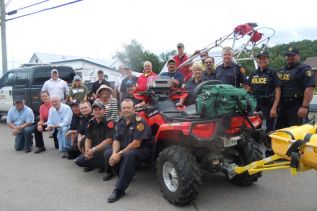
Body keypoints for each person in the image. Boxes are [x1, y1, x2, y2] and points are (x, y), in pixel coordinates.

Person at [103, 99, 152, 203]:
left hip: (141, 150)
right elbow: (116, 140)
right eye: (124, 108)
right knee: (108, 153)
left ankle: (120, 189)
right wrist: (114, 153)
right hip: (127, 149)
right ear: (121, 110)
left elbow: (136, 143)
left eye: (129, 107)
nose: (126, 110)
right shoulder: (120, 122)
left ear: (134, 109)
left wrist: (120, 154)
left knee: (128, 155)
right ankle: (125, 175)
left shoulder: (140, 122)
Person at [246, 51, 281, 156]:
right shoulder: (253, 73)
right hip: (256, 105)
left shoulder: (273, 73)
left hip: (268, 105)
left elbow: (278, 90)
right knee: (253, 129)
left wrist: (274, 107)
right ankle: (254, 153)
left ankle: (272, 153)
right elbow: (248, 88)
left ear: (268, 59)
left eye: (264, 58)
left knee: (270, 130)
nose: (262, 61)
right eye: (260, 59)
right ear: (257, 60)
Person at [276, 47, 315, 129]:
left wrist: (304, 106)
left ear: (298, 56)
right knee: (281, 132)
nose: (289, 57)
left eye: (292, 55)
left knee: (297, 132)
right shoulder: (282, 70)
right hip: (282, 107)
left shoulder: (304, 70)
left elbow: (309, 89)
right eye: (288, 55)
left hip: (296, 107)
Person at [74, 101, 114, 173]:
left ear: (104, 111)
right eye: (95, 110)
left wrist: (94, 149)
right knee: (79, 161)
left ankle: (108, 170)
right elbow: (88, 138)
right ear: (92, 111)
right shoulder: (91, 122)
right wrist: (87, 151)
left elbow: (109, 140)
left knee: (107, 150)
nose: (97, 112)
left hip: (105, 148)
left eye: (99, 109)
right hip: (95, 147)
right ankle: (97, 164)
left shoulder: (110, 122)